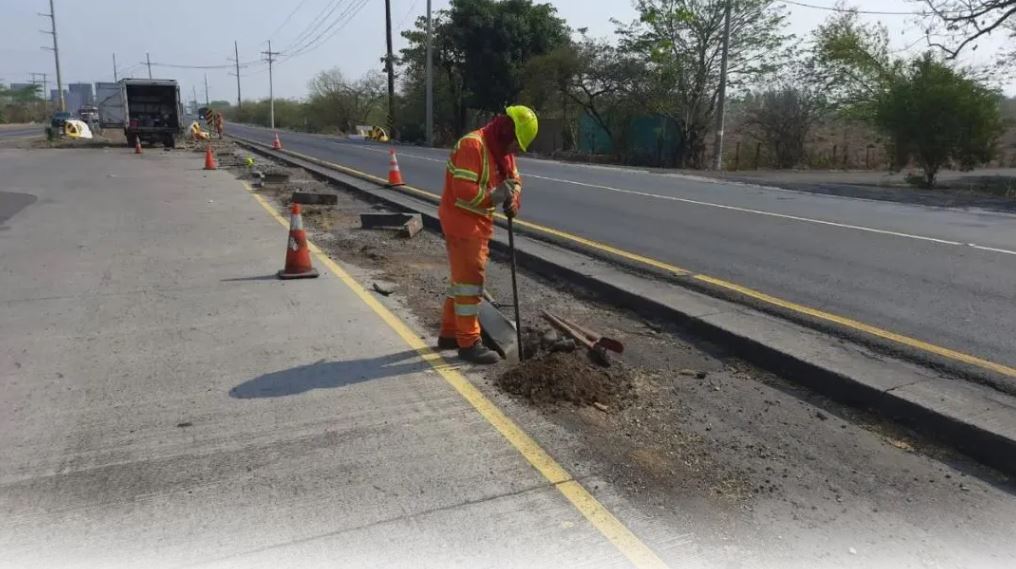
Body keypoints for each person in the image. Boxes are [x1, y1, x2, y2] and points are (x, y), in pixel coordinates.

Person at [437, 105, 539, 364]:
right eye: (515, 142)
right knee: (471, 280)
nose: (515, 149)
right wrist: (494, 196)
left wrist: (513, 200)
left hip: (480, 220)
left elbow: (514, 180)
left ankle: (450, 333)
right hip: (461, 221)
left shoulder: (502, 152)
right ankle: (469, 342)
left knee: (460, 281)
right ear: (507, 130)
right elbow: (463, 192)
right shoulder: (473, 146)